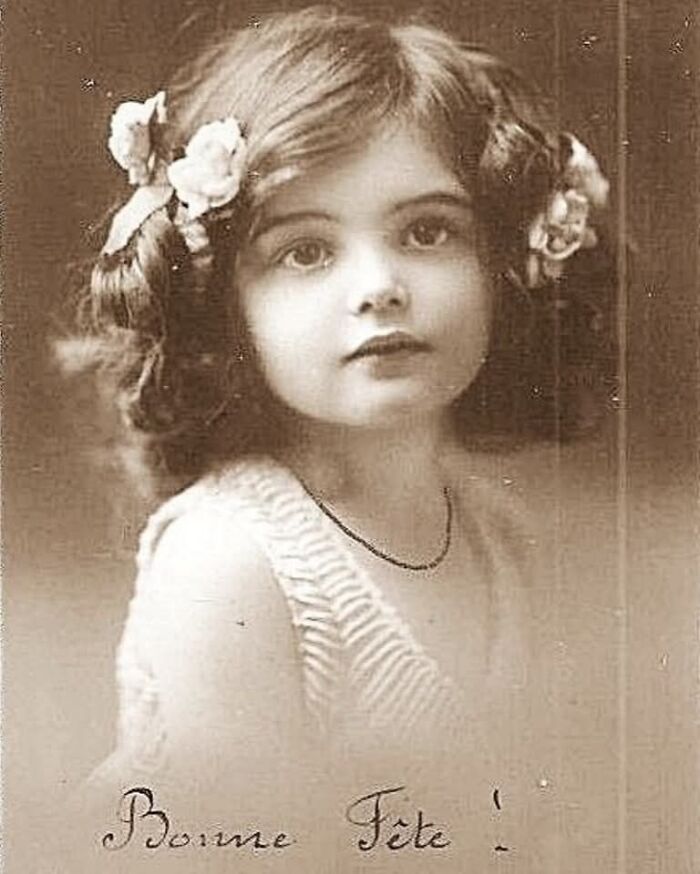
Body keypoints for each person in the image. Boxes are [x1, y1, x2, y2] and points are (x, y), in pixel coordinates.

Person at [62, 6, 614, 871]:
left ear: (507, 267)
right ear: (224, 308)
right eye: (306, 252)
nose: (380, 286)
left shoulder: (503, 547)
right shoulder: (231, 563)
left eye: (428, 231)